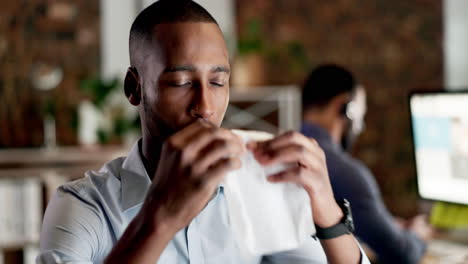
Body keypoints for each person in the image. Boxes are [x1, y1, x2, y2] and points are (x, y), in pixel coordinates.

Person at [37, 1, 370, 263]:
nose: (206, 106)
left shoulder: (255, 191)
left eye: (217, 82)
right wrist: (161, 215)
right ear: (134, 88)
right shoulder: (85, 205)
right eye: (181, 82)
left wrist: (327, 209)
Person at [300, 64, 432, 264]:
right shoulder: (345, 172)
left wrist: (391, 224)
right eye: (361, 113)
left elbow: (366, 224)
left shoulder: (285, 155)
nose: (361, 127)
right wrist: (417, 235)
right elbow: (401, 253)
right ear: (345, 106)